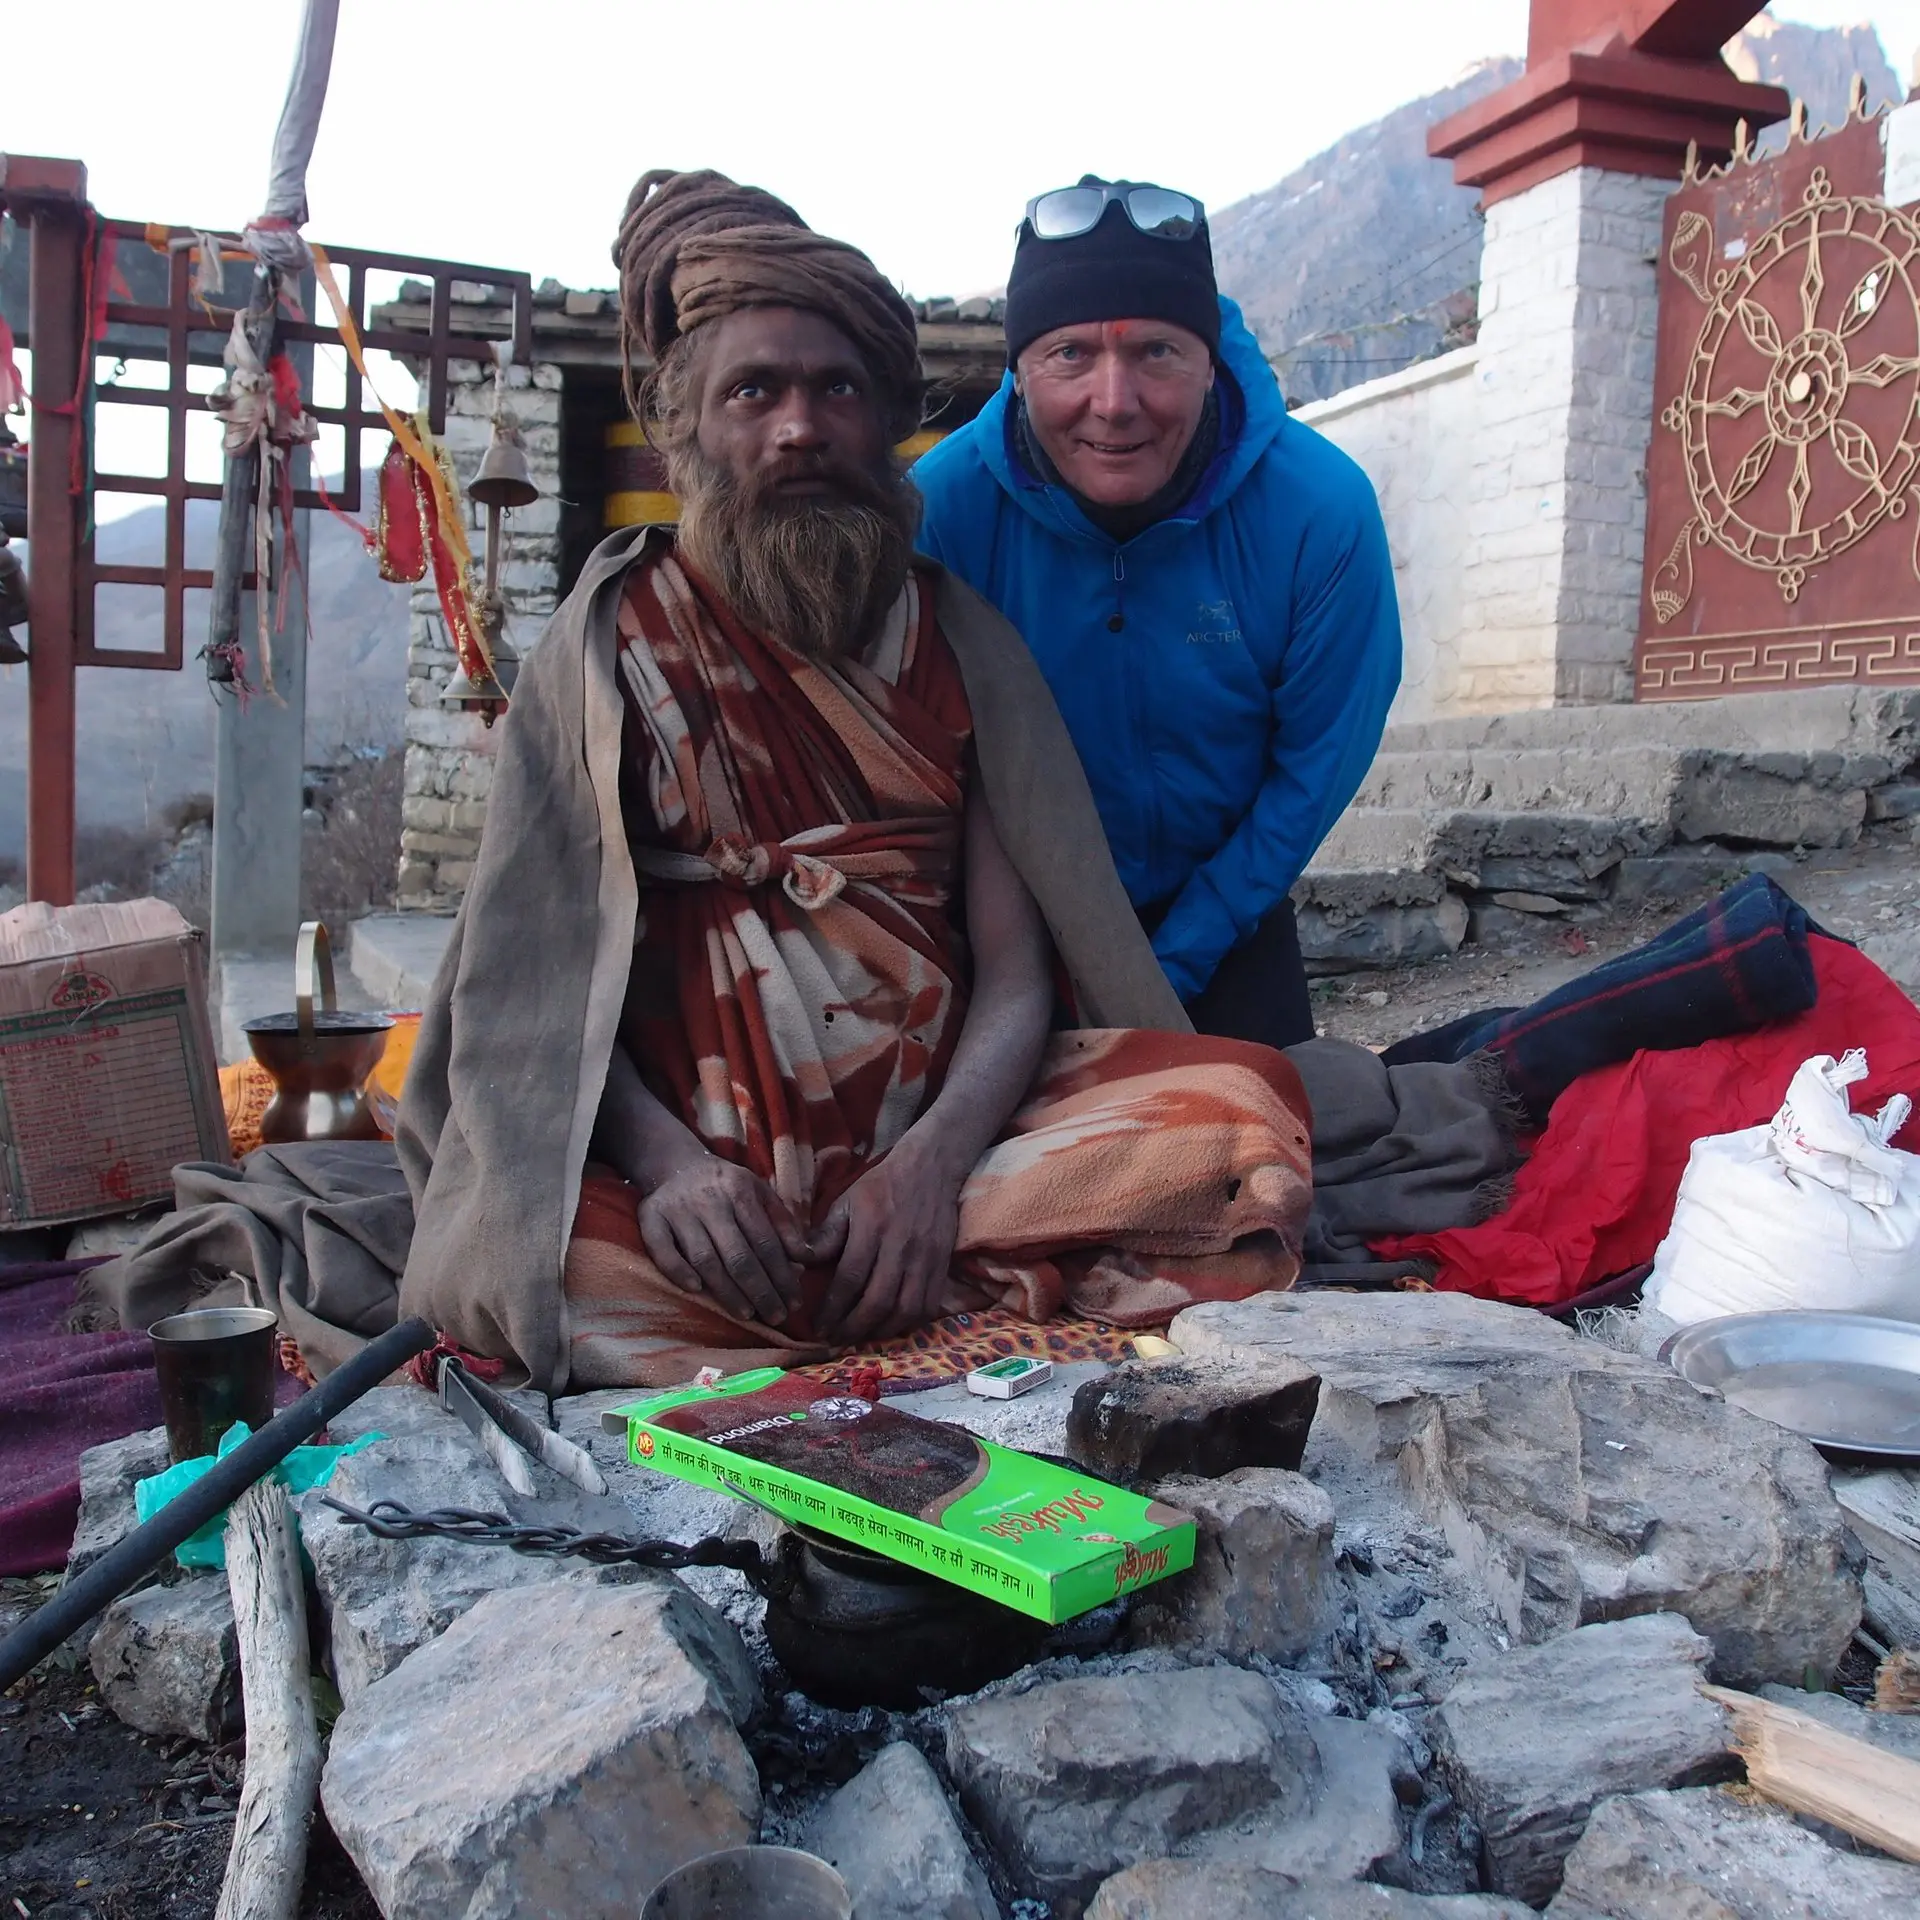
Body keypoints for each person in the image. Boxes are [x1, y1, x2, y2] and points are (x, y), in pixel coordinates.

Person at [392, 170, 1315, 1392]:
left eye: (836, 389)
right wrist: (670, 1171)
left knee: (1237, 1128)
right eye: (753, 392)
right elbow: (535, 988)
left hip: (955, 1156)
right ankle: (895, 1302)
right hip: (691, 1196)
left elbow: (1019, 973)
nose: (798, 428)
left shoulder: (959, 642)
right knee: (524, 1277)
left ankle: (886, 1275)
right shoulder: (612, 645)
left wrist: (930, 1168)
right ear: (688, 428)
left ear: (887, 418)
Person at [914, 179, 1402, 1050]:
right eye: (1069, 354)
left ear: (1208, 360)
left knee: (1267, 1165)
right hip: (1006, 920)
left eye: (1157, 353)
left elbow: (1316, 762)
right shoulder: (943, 514)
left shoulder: (1318, 510)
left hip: (1225, 908)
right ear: (1018, 372)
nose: (1114, 400)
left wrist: (1178, 956)